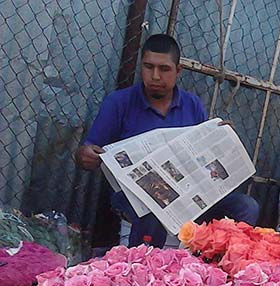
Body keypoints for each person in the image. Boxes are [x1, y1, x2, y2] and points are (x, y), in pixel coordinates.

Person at [75, 34, 259, 247]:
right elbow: (86, 153)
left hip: (188, 195)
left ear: (177, 71)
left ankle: (220, 268)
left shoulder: (192, 105)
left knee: (246, 206)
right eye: (148, 67)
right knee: (154, 210)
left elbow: (203, 158)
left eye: (164, 69)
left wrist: (223, 141)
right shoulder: (119, 102)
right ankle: (145, 270)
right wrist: (85, 155)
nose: (155, 76)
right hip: (136, 198)